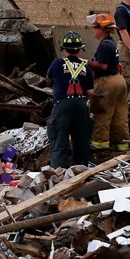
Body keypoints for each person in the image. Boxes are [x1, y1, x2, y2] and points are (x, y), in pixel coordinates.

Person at [46, 32, 95, 168]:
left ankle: (59, 173)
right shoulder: (86, 68)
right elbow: (91, 91)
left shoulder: (57, 63)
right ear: (79, 49)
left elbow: (49, 78)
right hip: (81, 104)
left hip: (62, 104)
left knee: (59, 140)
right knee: (81, 141)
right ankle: (80, 172)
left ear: (64, 49)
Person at [86, 13, 129, 152]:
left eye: (95, 28)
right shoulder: (111, 43)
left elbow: (103, 66)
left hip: (107, 82)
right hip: (119, 80)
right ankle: (121, 144)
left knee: (102, 112)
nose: (93, 30)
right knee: (120, 115)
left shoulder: (104, 45)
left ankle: (100, 144)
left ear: (102, 29)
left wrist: (87, 63)